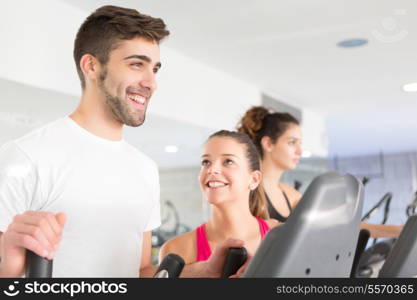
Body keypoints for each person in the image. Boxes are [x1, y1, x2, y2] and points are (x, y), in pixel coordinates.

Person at [0, 5, 244, 278]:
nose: (151, 83)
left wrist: (206, 271)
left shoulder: (145, 168)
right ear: (91, 66)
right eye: (137, 64)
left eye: (155, 69)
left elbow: (140, 272)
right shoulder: (25, 157)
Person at [237, 106, 403, 238]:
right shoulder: (247, 191)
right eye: (292, 142)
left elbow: (341, 225)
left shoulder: (290, 194)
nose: (300, 151)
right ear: (268, 144)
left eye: (300, 143)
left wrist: (401, 230)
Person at [159, 130, 279, 264]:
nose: (212, 169)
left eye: (228, 161)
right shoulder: (176, 249)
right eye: (206, 162)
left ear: (254, 180)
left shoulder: (281, 236)